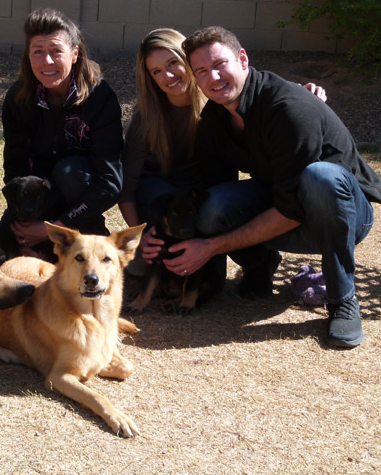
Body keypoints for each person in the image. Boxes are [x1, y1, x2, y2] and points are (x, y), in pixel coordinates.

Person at [158, 25, 381, 348]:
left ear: (243, 60)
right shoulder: (215, 120)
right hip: (285, 203)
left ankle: (342, 300)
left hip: (341, 214)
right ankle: (260, 268)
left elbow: (291, 209)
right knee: (213, 207)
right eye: (202, 71)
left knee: (321, 177)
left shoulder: (288, 107)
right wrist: (201, 272)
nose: (214, 78)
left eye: (220, 65)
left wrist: (211, 247)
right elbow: (213, 190)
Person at [0, 8, 124, 258]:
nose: (47, 61)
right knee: (0, 250)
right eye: (38, 52)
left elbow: (110, 182)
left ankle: (88, 237)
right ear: (28, 56)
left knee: (69, 172)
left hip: (78, 198)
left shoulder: (100, 98)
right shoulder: (18, 98)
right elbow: (14, 170)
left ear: (75, 54)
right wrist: (25, 228)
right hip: (35, 200)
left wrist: (53, 229)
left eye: (56, 51)